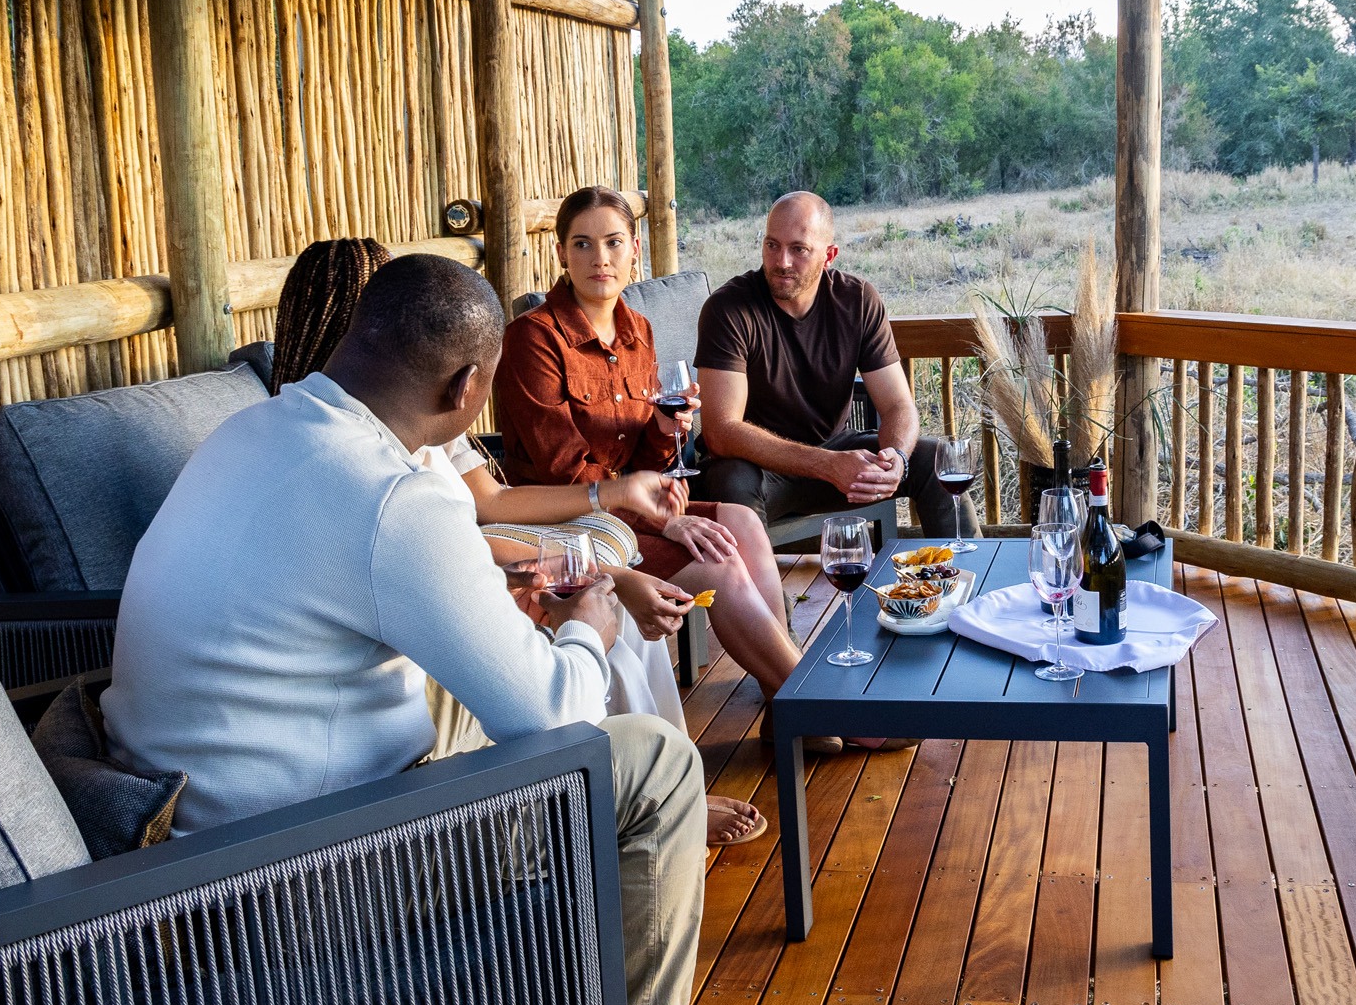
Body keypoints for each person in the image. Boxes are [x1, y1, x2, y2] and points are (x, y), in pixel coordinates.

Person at [104, 253, 780, 1005]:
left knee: (497, 669)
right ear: (467, 387)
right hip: (298, 874)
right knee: (655, 764)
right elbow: (558, 724)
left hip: (197, 831)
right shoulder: (394, 499)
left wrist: (494, 597)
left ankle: (608, 903)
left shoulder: (251, 434)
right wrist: (586, 621)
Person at [269, 239, 753, 838]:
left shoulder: (301, 427)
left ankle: (670, 788)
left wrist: (604, 522)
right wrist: (597, 589)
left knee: (619, 617)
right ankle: (649, 798)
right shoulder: (364, 467)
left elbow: (481, 513)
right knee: (608, 638)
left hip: (435, 593)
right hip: (372, 710)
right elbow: (439, 550)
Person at [495, 188, 800, 817]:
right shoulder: (533, 340)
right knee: (719, 560)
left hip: (631, 512)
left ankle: (782, 702)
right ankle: (809, 699)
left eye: (612, 243)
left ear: (634, 251)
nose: (598, 258)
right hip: (572, 528)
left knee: (740, 518)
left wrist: (669, 431)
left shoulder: (639, 331)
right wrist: (667, 514)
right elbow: (566, 472)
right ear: (561, 253)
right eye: (582, 243)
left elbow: (649, 461)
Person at [694, 190, 953, 536]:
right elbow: (721, 432)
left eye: (798, 249)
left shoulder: (857, 300)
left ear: (829, 255)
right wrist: (826, 464)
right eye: (772, 245)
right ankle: (761, 592)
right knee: (731, 480)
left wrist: (895, 459)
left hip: (837, 457)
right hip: (759, 470)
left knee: (936, 460)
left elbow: (897, 406)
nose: (781, 261)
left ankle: (971, 581)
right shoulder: (728, 308)